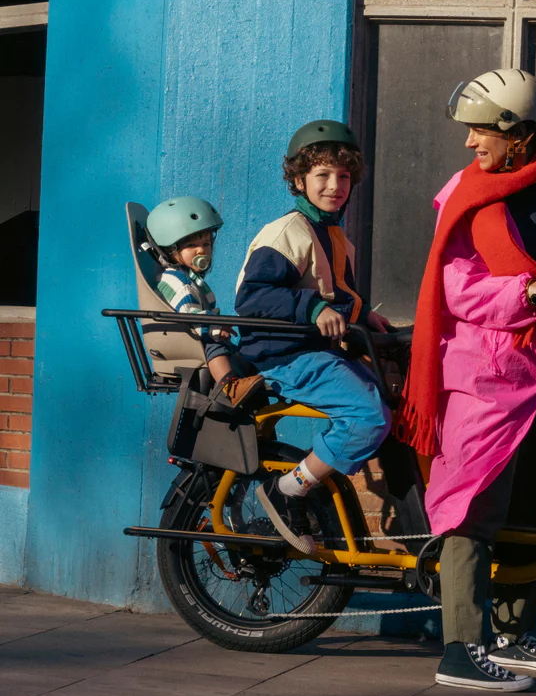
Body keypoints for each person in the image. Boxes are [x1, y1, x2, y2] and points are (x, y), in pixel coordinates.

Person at [394, 69, 536, 692]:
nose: (469, 143)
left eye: (480, 130)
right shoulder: (465, 193)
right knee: (473, 504)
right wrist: (527, 292)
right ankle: (461, 649)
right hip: (486, 372)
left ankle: (513, 637)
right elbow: (456, 286)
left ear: (519, 133)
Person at [235, 120, 392, 553]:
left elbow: (334, 292)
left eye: (344, 176)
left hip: (316, 350)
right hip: (286, 354)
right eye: (322, 175)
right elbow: (253, 298)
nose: (335, 185)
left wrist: (363, 313)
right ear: (299, 180)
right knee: (368, 416)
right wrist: (313, 309)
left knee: (393, 399)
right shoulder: (288, 232)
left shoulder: (333, 233)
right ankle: (287, 489)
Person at [146, 196, 265, 409]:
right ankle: (230, 387)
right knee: (214, 344)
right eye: (192, 245)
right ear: (170, 250)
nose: (201, 251)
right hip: (185, 340)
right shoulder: (178, 282)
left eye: (206, 244)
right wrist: (215, 327)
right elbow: (188, 314)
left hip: (192, 333)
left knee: (235, 350)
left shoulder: (190, 279)